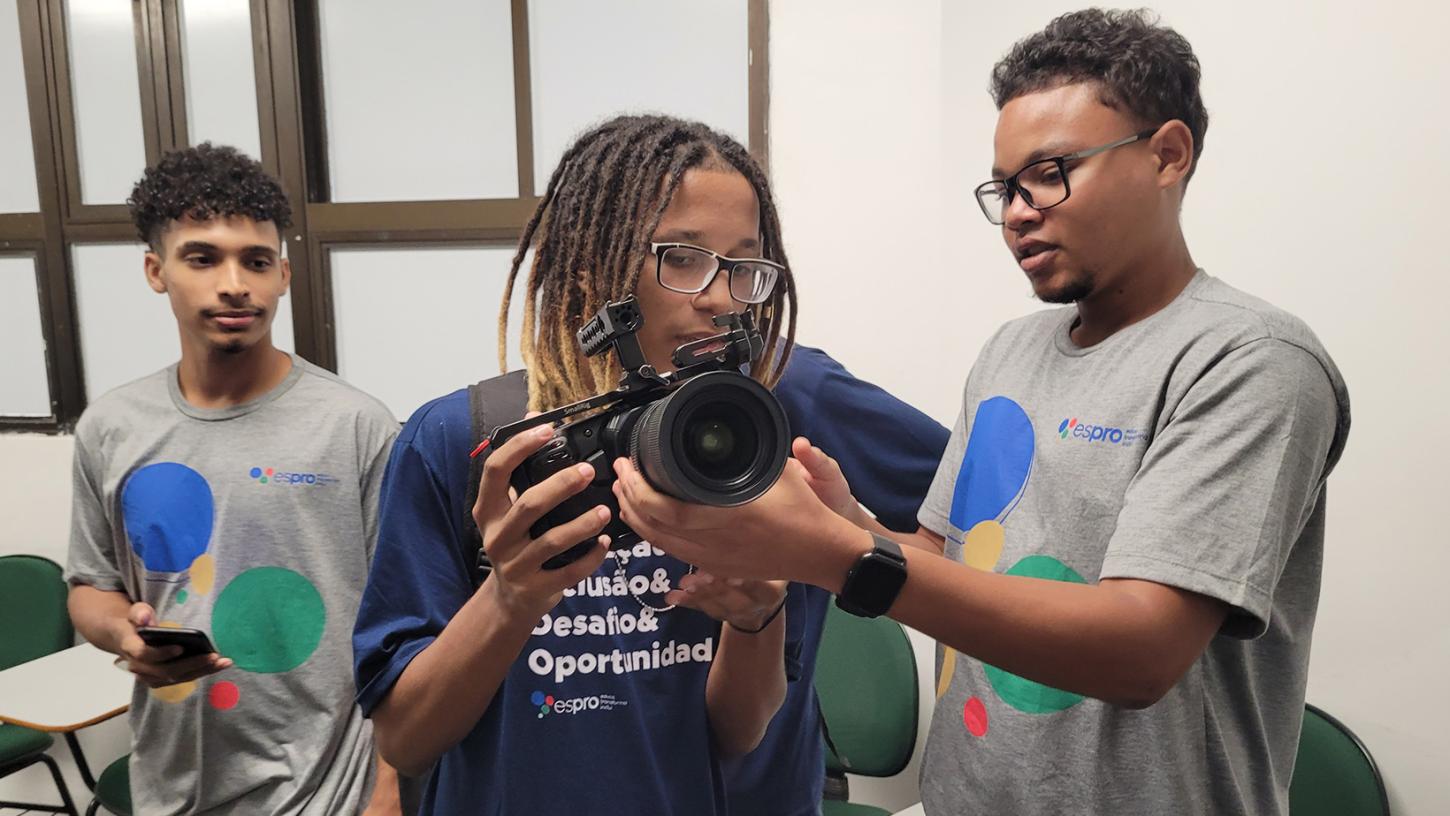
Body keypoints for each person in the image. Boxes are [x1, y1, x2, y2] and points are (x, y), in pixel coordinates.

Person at [612, 10, 1352, 816]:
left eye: (1050, 173)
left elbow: (1141, 651)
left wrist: (840, 554)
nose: (1019, 211)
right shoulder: (1011, 352)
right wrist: (849, 525)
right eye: (1005, 188)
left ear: (1167, 155)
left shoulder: (1249, 361)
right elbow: (944, 561)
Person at [350, 114, 949, 815]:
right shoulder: (472, 443)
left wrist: (843, 543)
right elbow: (407, 740)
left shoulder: (782, 403)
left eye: (744, 267)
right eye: (684, 258)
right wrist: (509, 597)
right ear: (589, 264)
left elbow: (978, 530)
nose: (721, 297)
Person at [65, 143, 402, 815]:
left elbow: (402, 626)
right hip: (171, 786)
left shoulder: (357, 426)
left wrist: (387, 795)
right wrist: (124, 633)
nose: (234, 284)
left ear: (283, 275)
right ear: (156, 271)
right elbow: (91, 587)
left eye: (256, 261)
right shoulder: (110, 427)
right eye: (202, 258)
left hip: (328, 793)